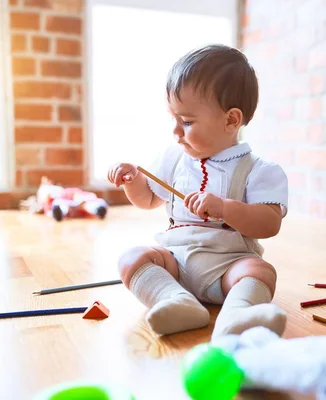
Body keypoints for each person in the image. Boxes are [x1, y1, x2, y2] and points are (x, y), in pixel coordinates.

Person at [107, 44, 288, 339]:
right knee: (131, 258)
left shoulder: (260, 171)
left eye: (187, 122)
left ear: (231, 120)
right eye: (174, 120)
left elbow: (269, 224)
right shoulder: (174, 158)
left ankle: (237, 315)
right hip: (175, 265)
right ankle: (174, 300)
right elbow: (148, 199)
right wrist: (132, 181)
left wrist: (225, 208)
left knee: (260, 271)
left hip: (227, 268)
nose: (176, 132)